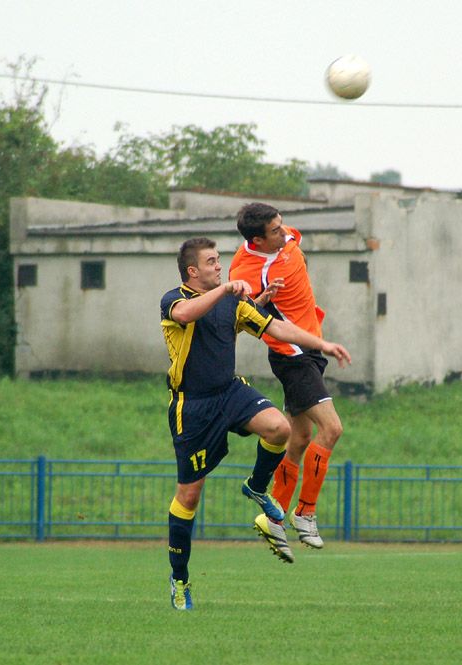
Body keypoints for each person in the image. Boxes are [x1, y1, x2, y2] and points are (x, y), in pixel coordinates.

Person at [161, 237, 351, 610]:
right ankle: (179, 579)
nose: (220, 266)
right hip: (193, 406)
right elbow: (186, 315)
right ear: (192, 271)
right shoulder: (174, 298)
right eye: (212, 262)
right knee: (189, 495)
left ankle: (257, 487)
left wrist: (321, 344)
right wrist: (229, 291)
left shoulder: (232, 300)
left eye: (220, 260)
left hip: (229, 392)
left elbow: (276, 329)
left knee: (280, 428)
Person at [229, 202, 344, 550]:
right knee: (332, 429)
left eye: (282, 225)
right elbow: (249, 321)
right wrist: (264, 300)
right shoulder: (244, 269)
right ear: (257, 240)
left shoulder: (287, 238)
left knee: (300, 438)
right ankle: (305, 513)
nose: (285, 231)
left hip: (311, 348)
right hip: (292, 355)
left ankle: (273, 517)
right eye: (276, 230)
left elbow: (297, 250)